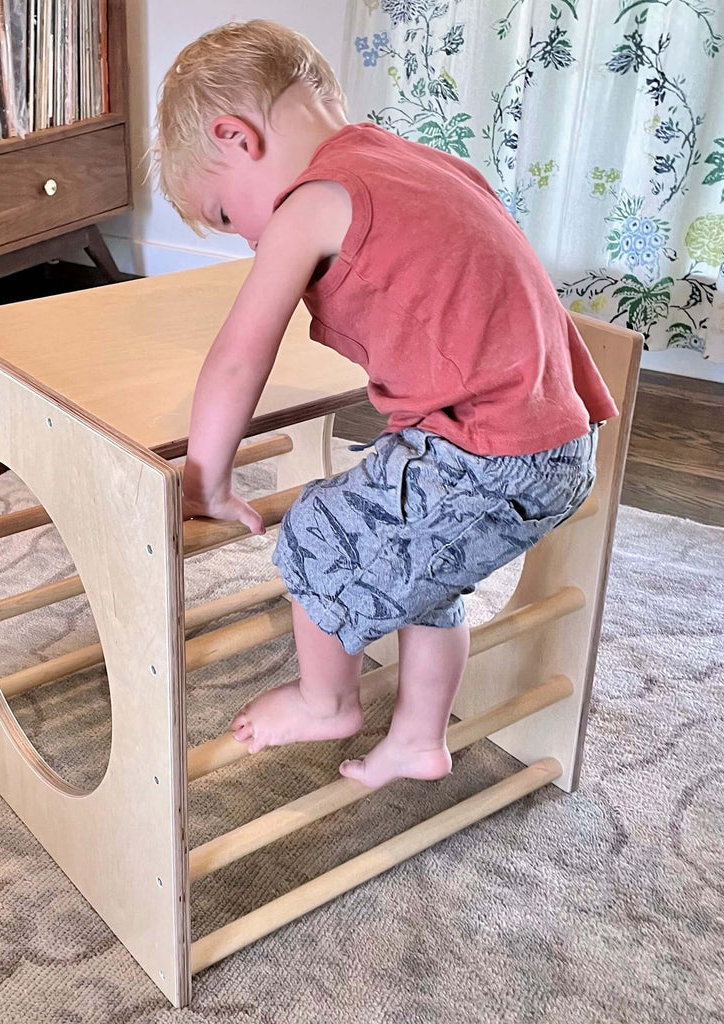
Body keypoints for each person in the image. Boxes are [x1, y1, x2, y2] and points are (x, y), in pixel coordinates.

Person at [153, 19, 618, 789]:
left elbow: (239, 358)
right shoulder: (420, 161)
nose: (243, 240)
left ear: (236, 138)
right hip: (557, 438)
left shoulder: (312, 204)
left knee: (319, 530)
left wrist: (206, 479)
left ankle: (323, 699)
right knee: (426, 570)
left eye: (227, 216)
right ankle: (416, 739)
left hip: (487, 451)